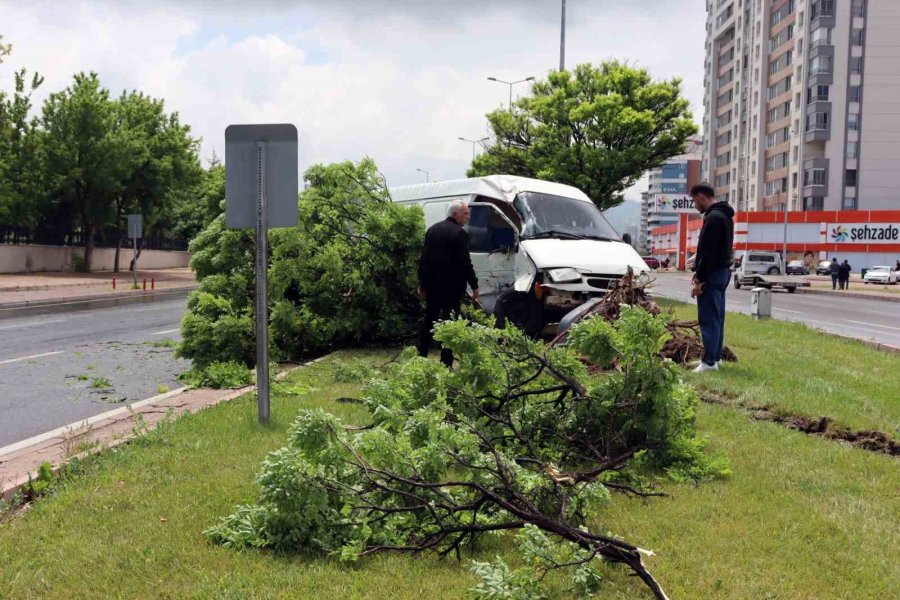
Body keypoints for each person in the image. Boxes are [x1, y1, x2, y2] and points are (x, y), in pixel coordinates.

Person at [417, 200, 479, 367]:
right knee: (449, 323)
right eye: (465, 213)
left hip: (432, 286)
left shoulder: (432, 230)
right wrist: (474, 285)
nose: (468, 217)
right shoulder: (460, 233)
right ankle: (446, 362)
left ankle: (421, 356)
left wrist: (422, 284)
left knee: (429, 320)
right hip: (452, 288)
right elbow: (465, 263)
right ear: (455, 214)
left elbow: (424, 260)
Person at [689, 183, 734, 373]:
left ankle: (708, 362)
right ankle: (715, 358)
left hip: (712, 273)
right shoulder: (725, 215)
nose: (694, 206)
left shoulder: (713, 218)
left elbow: (708, 253)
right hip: (722, 272)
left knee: (708, 318)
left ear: (700, 197)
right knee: (717, 317)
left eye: (694, 201)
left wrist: (699, 278)